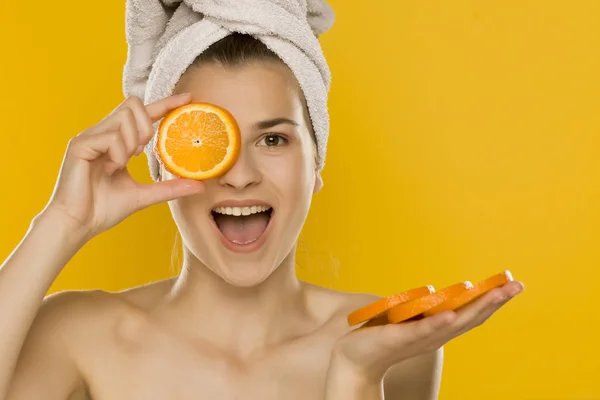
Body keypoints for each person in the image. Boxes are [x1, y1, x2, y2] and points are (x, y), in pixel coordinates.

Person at [0, 10, 524, 400]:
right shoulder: (77, 335)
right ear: (163, 164)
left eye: (273, 140)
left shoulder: (391, 343)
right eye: (207, 143)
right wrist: (62, 223)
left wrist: (356, 375)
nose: (241, 176)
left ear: (316, 165)